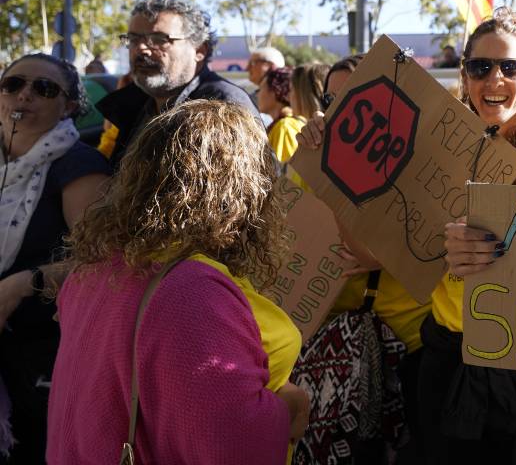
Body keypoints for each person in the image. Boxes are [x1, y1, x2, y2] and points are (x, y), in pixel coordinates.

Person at [47, 100, 308, 464]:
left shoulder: (95, 269)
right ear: (243, 191)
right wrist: (288, 408)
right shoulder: (193, 291)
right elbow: (234, 445)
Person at [424, 7, 516, 464]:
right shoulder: (434, 150)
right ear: (465, 77)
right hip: (447, 354)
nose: (494, 80)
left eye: (510, 67)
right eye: (480, 67)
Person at [295, 53, 431, 462]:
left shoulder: (422, 167)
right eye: (331, 100)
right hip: (334, 347)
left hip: (411, 345)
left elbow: (372, 250)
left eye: (353, 96)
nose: (340, 110)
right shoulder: (308, 159)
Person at [0, 54, 111, 462]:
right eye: (12, 84)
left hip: (44, 354)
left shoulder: (80, 166)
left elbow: (104, 263)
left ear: (69, 106)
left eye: (44, 88)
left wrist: (21, 285)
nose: (24, 94)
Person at [97, 0, 258, 166]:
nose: (141, 49)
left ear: (199, 50)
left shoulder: (226, 107)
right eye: (134, 39)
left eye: (159, 39)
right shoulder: (134, 103)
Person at [260, 66, 304, 164]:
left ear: (275, 92)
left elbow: (282, 173)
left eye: (261, 89)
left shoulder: (284, 127)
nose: (258, 95)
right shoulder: (287, 123)